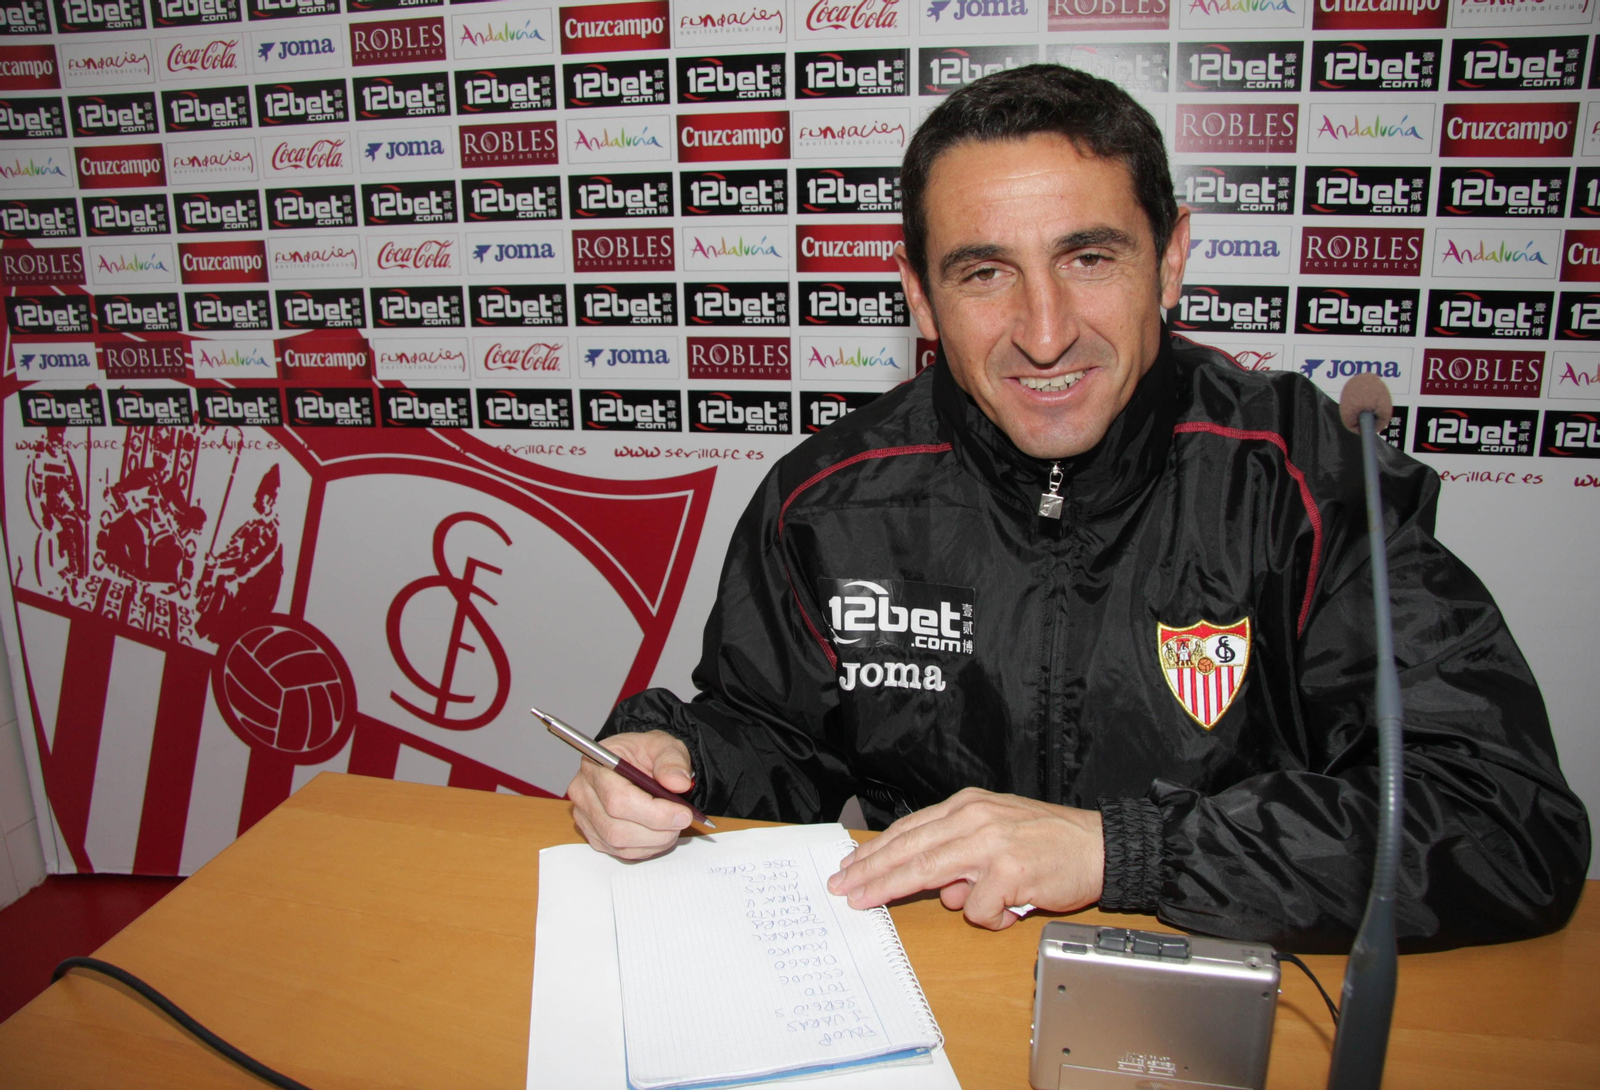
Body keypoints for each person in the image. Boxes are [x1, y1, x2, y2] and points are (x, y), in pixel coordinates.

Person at [568, 65, 1590, 952]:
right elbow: (769, 736)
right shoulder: (829, 498)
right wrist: (678, 762)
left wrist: (1124, 852)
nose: (1045, 333)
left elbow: (1505, 822)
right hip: (933, 987)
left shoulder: (1303, 475)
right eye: (983, 273)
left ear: (1172, 257)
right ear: (919, 298)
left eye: (1088, 258)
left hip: (1235, 992)